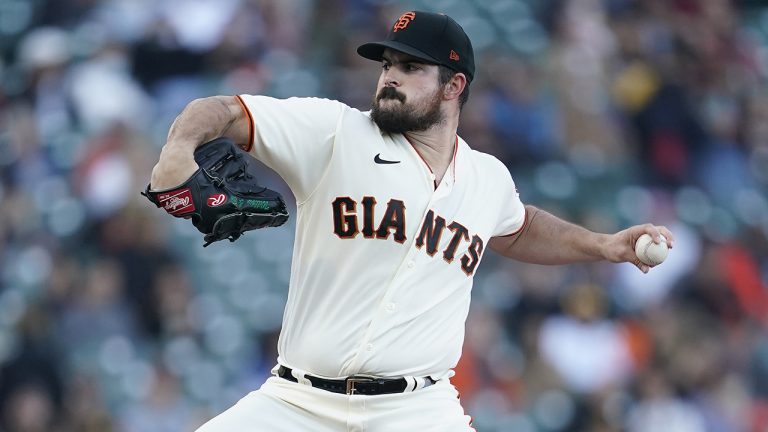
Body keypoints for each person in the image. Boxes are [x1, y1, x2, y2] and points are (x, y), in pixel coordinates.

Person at [149, 10, 674, 432]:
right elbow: (221, 109)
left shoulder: (486, 178)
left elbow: (519, 227)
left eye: (411, 67)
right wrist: (178, 147)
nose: (390, 77)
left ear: (453, 85)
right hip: (298, 403)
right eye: (387, 65)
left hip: (417, 411)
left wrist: (605, 246)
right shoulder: (336, 133)